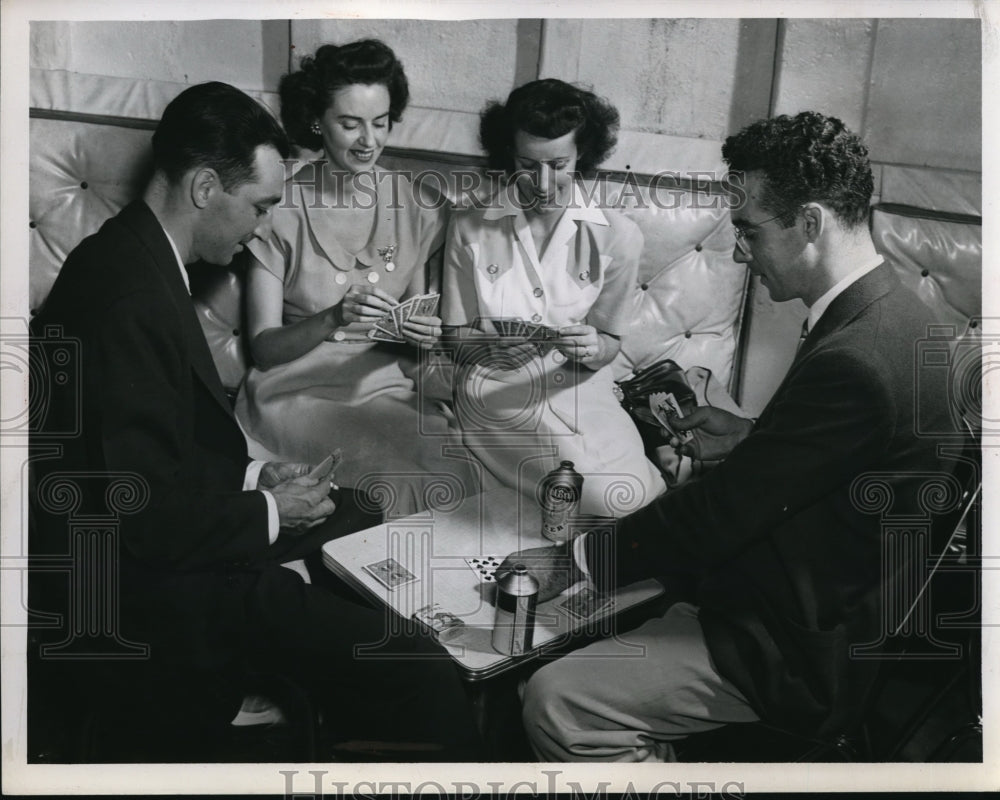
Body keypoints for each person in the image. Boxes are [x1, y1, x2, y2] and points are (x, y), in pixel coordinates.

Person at [29, 81, 480, 762]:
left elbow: (154, 446)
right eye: (260, 205)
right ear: (206, 186)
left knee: (363, 512)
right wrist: (269, 509)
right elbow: (136, 517)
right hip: (149, 591)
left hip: (173, 533)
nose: (263, 226)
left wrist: (255, 471)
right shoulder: (124, 297)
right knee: (426, 668)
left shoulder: (139, 259)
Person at [499, 111, 958, 761]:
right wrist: (752, 439)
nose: (740, 250)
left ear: (810, 224)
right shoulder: (897, 314)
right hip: (826, 600)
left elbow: (720, 514)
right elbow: (840, 460)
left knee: (556, 697)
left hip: (792, 645)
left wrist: (574, 561)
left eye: (748, 229)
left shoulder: (853, 361)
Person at [235, 39, 474, 517]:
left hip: (384, 386)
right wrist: (331, 317)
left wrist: (426, 335)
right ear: (317, 122)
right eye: (350, 123)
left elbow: (411, 323)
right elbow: (262, 348)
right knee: (394, 481)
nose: (369, 140)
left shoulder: (415, 205)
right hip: (296, 391)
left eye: (380, 122)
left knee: (450, 469)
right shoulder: (279, 205)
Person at [440, 79, 665, 517]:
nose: (543, 183)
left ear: (583, 155)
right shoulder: (469, 225)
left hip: (582, 386)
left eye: (558, 164)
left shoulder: (619, 236)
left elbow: (608, 344)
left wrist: (594, 347)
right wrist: (489, 347)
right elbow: (454, 339)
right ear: (509, 156)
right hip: (493, 391)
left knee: (631, 494)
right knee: (596, 496)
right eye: (528, 165)